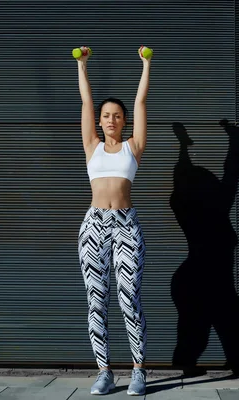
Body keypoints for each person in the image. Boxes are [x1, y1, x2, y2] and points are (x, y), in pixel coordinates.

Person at [75, 45, 151, 396]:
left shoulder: (132, 147)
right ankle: (104, 371)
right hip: (93, 225)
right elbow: (85, 103)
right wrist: (83, 66)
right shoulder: (90, 145)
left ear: (123, 121)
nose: (110, 119)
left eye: (116, 115)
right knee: (96, 299)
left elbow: (140, 104)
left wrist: (145, 65)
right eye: (106, 115)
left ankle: (138, 370)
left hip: (125, 225)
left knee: (128, 297)